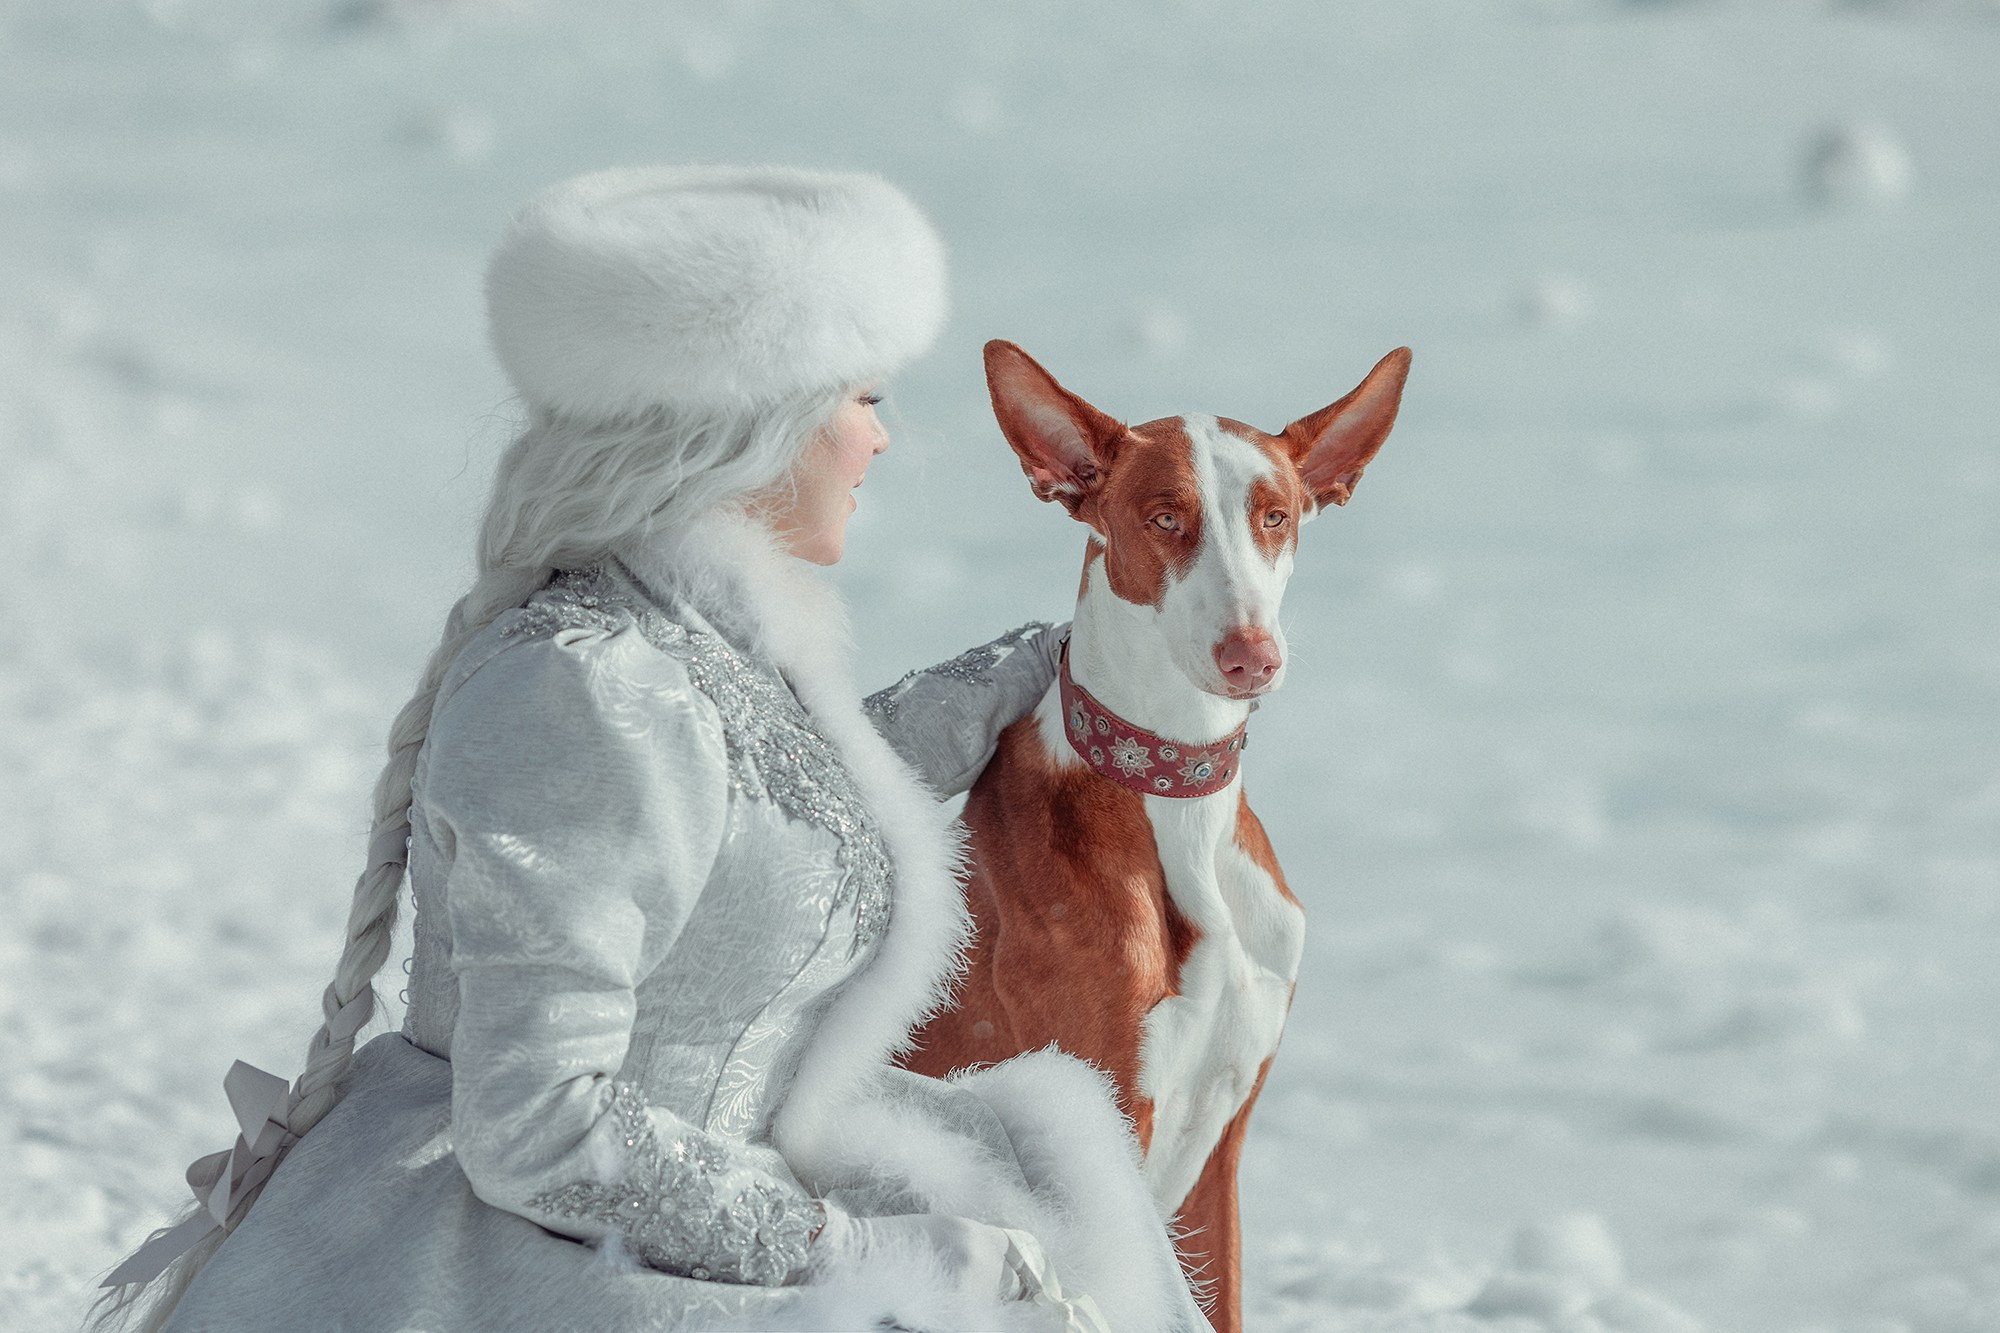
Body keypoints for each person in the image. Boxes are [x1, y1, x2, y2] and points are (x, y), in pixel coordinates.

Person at [92, 166, 1210, 1332]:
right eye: (863, 397)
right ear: (754, 420)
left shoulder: (693, 652)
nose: (879, 438)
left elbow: (774, 814)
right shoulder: (580, 688)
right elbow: (537, 1125)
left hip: (709, 1178)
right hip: (545, 1249)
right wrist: (844, 1245)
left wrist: (1043, 665)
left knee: (1042, 1175)